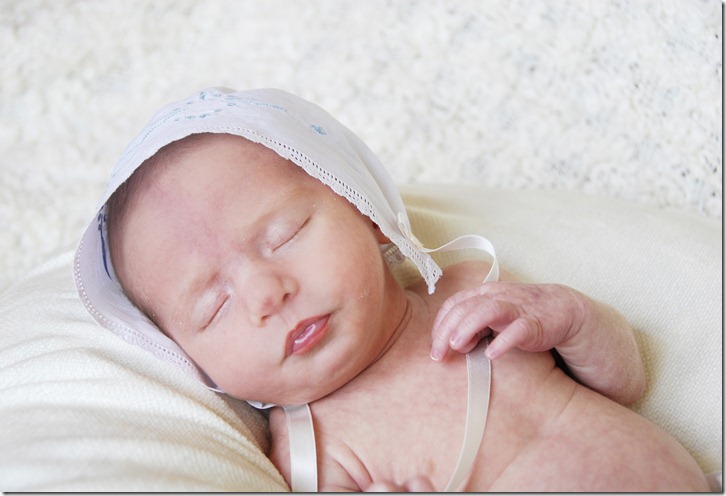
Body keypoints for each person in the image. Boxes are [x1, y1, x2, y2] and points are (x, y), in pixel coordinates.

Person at [75, 88, 710, 492]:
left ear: (367, 210)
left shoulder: (470, 293)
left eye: (284, 234)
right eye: (213, 307)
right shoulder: (316, 450)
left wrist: (570, 319)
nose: (267, 293)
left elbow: (624, 382)